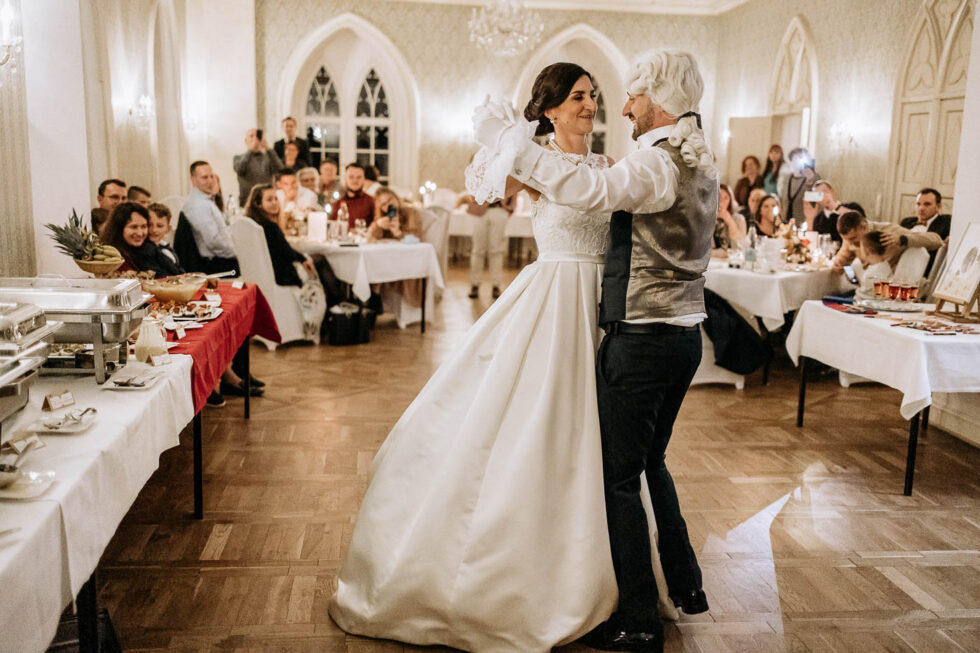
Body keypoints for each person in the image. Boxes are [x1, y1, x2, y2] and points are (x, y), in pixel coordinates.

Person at [245, 183, 344, 313]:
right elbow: (286, 251)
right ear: (257, 203)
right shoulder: (269, 227)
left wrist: (303, 258)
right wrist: (303, 259)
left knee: (316, 259)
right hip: (281, 275)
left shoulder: (253, 225)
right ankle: (335, 304)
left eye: (276, 198)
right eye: (269, 199)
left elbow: (282, 249)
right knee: (320, 260)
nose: (275, 202)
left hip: (264, 273)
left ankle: (333, 306)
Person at [833, 210, 942, 272]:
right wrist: (839, 265)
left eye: (853, 238)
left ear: (863, 226)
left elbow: (937, 240)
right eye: (846, 240)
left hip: (887, 288)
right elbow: (844, 261)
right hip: (864, 285)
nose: (851, 243)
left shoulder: (888, 231)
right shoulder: (849, 239)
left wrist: (902, 239)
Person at [181, 160, 239, 274]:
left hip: (220, 260)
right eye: (204, 177)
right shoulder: (198, 205)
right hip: (215, 265)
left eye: (211, 176)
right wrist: (237, 254)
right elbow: (213, 242)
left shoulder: (206, 201)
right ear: (193, 180)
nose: (210, 181)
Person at [101, 202, 181, 278]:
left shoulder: (147, 248)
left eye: (144, 226)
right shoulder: (112, 257)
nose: (140, 233)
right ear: (119, 228)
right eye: (134, 227)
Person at [458, 192, 514, 299]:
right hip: (479, 210)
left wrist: (511, 206)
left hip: (500, 209)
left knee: (496, 250)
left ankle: (496, 285)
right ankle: (474, 284)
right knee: (478, 250)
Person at [900, 188, 951, 276]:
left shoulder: (946, 221)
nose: (921, 208)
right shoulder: (906, 222)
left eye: (927, 204)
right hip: (902, 266)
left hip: (926, 270)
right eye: (918, 204)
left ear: (938, 206)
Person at [802, 179, 865, 243]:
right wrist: (810, 219)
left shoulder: (852, 207)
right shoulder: (818, 219)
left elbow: (862, 223)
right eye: (818, 194)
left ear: (832, 192)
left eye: (825, 191)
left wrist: (834, 206)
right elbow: (813, 242)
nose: (823, 196)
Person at [233, 128, 283, 206]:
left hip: (267, 201)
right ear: (246, 141)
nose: (255, 139)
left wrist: (268, 149)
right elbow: (240, 169)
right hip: (247, 201)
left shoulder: (269, 157)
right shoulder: (238, 158)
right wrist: (250, 151)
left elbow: (280, 169)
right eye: (251, 136)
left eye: (257, 136)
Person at [330, 162, 374, 229]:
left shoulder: (372, 202)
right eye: (351, 177)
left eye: (359, 177)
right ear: (345, 179)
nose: (355, 180)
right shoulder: (336, 204)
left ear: (364, 179)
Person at [782, 147, 817, 224]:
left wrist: (810, 184)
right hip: (786, 220)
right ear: (791, 161)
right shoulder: (787, 178)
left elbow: (816, 201)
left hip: (803, 221)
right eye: (798, 158)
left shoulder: (814, 177)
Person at [714, 183, 746, 250]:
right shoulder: (704, 219)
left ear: (730, 200)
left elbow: (743, 245)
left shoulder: (739, 219)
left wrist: (729, 221)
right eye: (718, 197)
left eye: (726, 198)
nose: (721, 201)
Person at [147, 203, 180, 267]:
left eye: (159, 226)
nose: (154, 230)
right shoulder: (146, 251)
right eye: (149, 225)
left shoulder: (167, 247)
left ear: (168, 229)